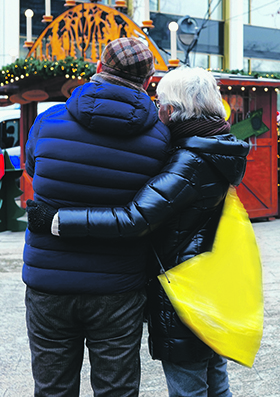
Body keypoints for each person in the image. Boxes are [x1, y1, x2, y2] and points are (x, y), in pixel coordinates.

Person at [27, 66, 250, 397]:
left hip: (183, 289)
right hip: (203, 281)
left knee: (190, 386)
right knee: (211, 380)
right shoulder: (212, 145)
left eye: (159, 102)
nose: (156, 109)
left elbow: (135, 219)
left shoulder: (187, 161)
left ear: (172, 110)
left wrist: (57, 219)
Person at [23, 37, 171, 396]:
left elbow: (31, 168)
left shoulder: (48, 121)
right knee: (116, 389)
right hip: (117, 287)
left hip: (49, 283)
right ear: (148, 81)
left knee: (52, 389)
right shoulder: (160, 139)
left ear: (100, 69)